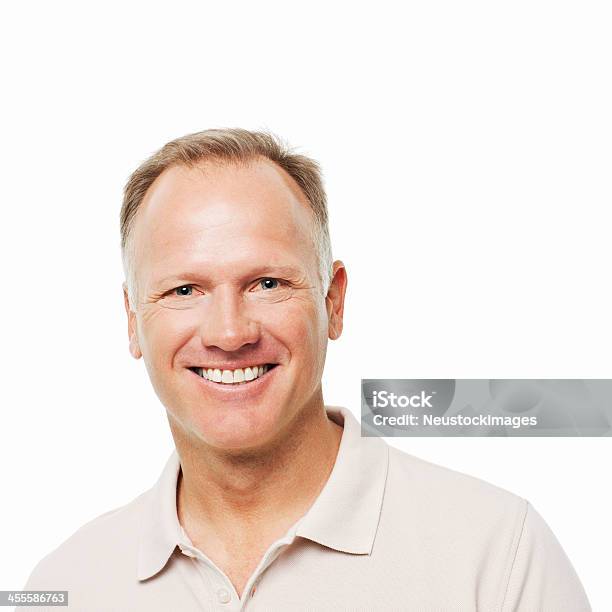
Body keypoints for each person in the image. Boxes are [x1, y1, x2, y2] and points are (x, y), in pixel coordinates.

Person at [23, 128, 591, 611]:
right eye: (184, 289)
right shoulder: (67, 586)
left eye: (267, 284)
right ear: (132, 320)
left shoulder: (498, 559)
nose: (229, 333)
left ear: (333, 301)